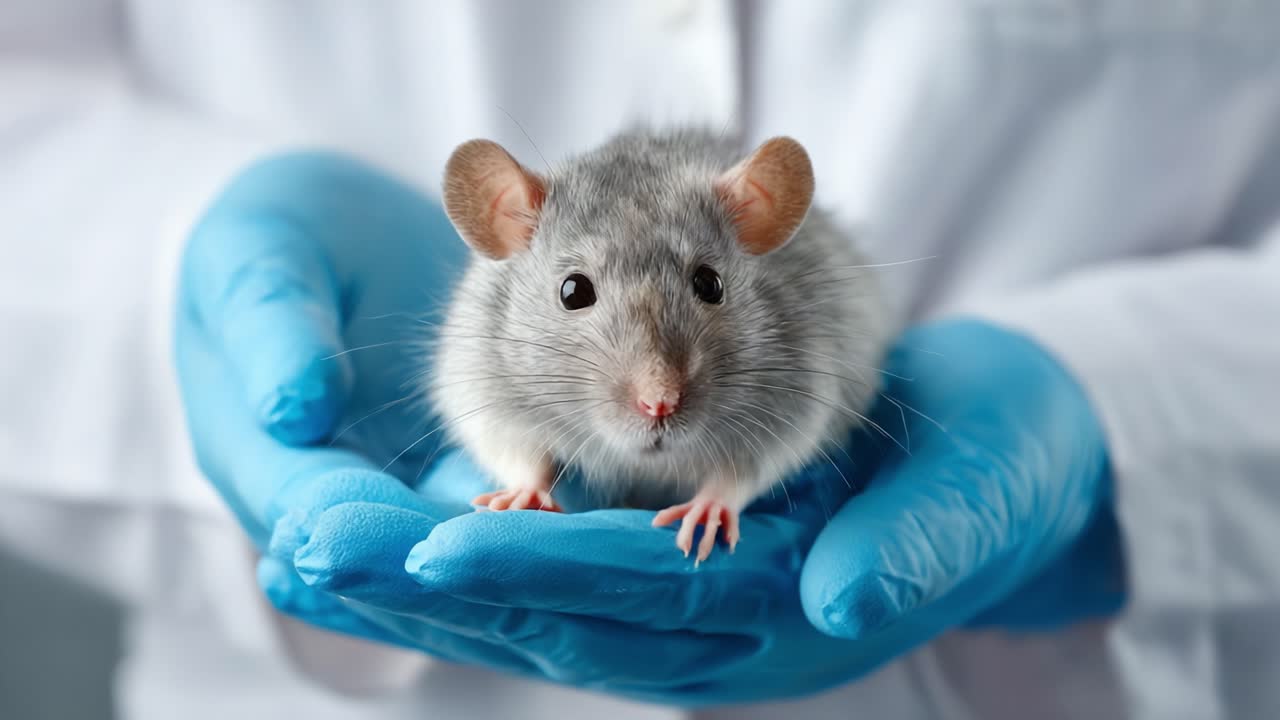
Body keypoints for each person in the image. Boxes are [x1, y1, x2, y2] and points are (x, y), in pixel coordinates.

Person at [2, 2, 1278, 718]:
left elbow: (810, 389)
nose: (658, 383)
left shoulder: (778, 301)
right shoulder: (491, 322)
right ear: (506, 234)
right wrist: (171, 272)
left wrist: (1129, 409)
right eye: (572, 297)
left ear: (754, 225)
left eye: (709, 292)